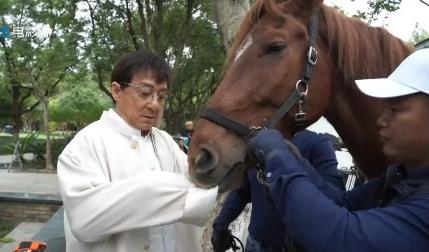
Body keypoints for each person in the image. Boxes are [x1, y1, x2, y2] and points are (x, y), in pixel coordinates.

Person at [246, 49, 429, 251]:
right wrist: (295, 159)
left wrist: (275, 156)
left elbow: (339, 235)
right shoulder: (402, 176)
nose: (381, 120)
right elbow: (342, 203)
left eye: (395, 110)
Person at [57, 50, 218, 252]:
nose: (154, 104)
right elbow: (85, 220)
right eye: (144, 92)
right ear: (117, 91)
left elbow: (201, 186)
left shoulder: (165, 142)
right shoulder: (85, 145)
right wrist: (157, 188)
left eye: (161, 96)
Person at [211, 130, 345, 252]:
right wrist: (221, 222)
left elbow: (334, 198)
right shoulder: (256, 143)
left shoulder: (317, 144)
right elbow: (242, 191)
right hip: (256, 245)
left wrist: (294, 161)